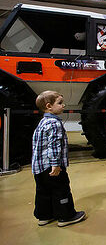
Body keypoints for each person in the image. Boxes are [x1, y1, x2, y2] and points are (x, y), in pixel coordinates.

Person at [32, 90, 86, 227]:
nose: (63, 105)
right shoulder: (54, 124)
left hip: (39, 167)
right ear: (49, 106)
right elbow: (54, 145)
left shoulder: (43, 122)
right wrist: (56, 165)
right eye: (60, 103)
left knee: (43, 191)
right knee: (61, 189)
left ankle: (44, 216)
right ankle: (66, 216)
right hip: (52, 166)